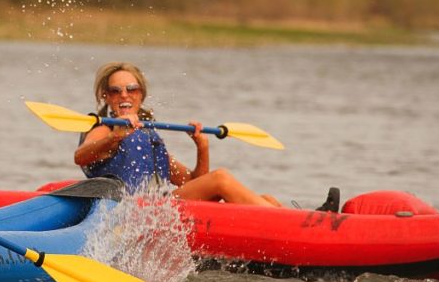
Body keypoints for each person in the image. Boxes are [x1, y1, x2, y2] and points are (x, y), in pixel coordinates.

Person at [74, 62, 285, 207]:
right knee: (220, 178)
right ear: (106, 97)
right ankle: (294, 226)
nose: (124, 95)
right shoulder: (104, 129)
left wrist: (202, 147)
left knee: (268, 199)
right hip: (134, 211)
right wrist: (116, 136)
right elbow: (81, 156)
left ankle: (292, 225)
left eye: (132, 89)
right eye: (115, 91)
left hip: (161, 207)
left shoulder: (146, 136)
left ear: (141, 94)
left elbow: (193, 183)